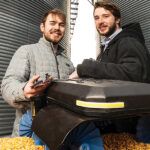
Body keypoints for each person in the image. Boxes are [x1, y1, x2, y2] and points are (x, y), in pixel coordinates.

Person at [1, 9, 104, 150]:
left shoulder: (67, 62)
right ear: (42, 27)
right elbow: (7, 85)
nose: (57, 27)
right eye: (52, 23)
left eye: (61, 25)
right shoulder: (26, 51)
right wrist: (24, 91)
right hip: (29, 136)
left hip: (61, 137)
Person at [69, 0, 150, 148]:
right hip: (116, 123)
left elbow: (135, 74)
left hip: (132, 128)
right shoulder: (108, 46)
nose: (100, 21)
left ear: (117, 19)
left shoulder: (128, 41)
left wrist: (87, 68)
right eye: (96, 17)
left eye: (105, 16)